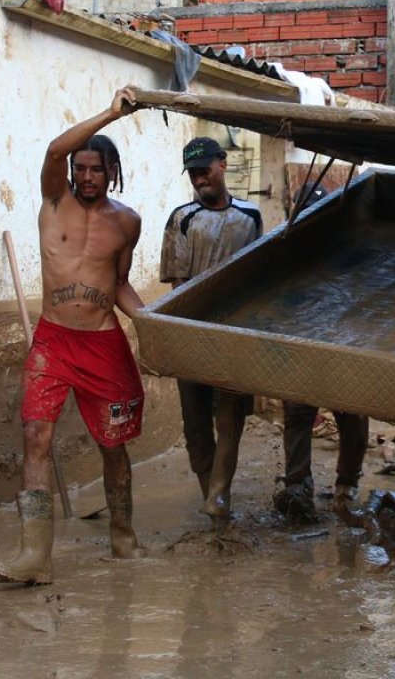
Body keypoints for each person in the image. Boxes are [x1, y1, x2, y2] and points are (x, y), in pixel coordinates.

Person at [0, 87, 147, 586]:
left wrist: (152, 323)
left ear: (111, 172)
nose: (84, 177)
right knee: (35, 435)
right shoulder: (53, 202)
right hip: (53, 343)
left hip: (103, 345)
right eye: (79, 168)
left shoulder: (127, 223)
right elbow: (54, 151)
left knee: (112, 446)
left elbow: (119, 284)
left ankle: (123, 535)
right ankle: (34, 555)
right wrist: (110, 114)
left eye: (94, 169)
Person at [160, 137, 262, 523]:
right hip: (191, 331)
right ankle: (213, 498)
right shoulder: (181, 219)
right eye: (193, 174)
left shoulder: (250, 217)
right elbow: (178, 287)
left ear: (222, 164)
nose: (199, 179)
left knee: (231, 417)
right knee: (196, 425)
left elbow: (255, 276)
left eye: (204, 170)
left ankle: (219, 496)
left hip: (235, 334)